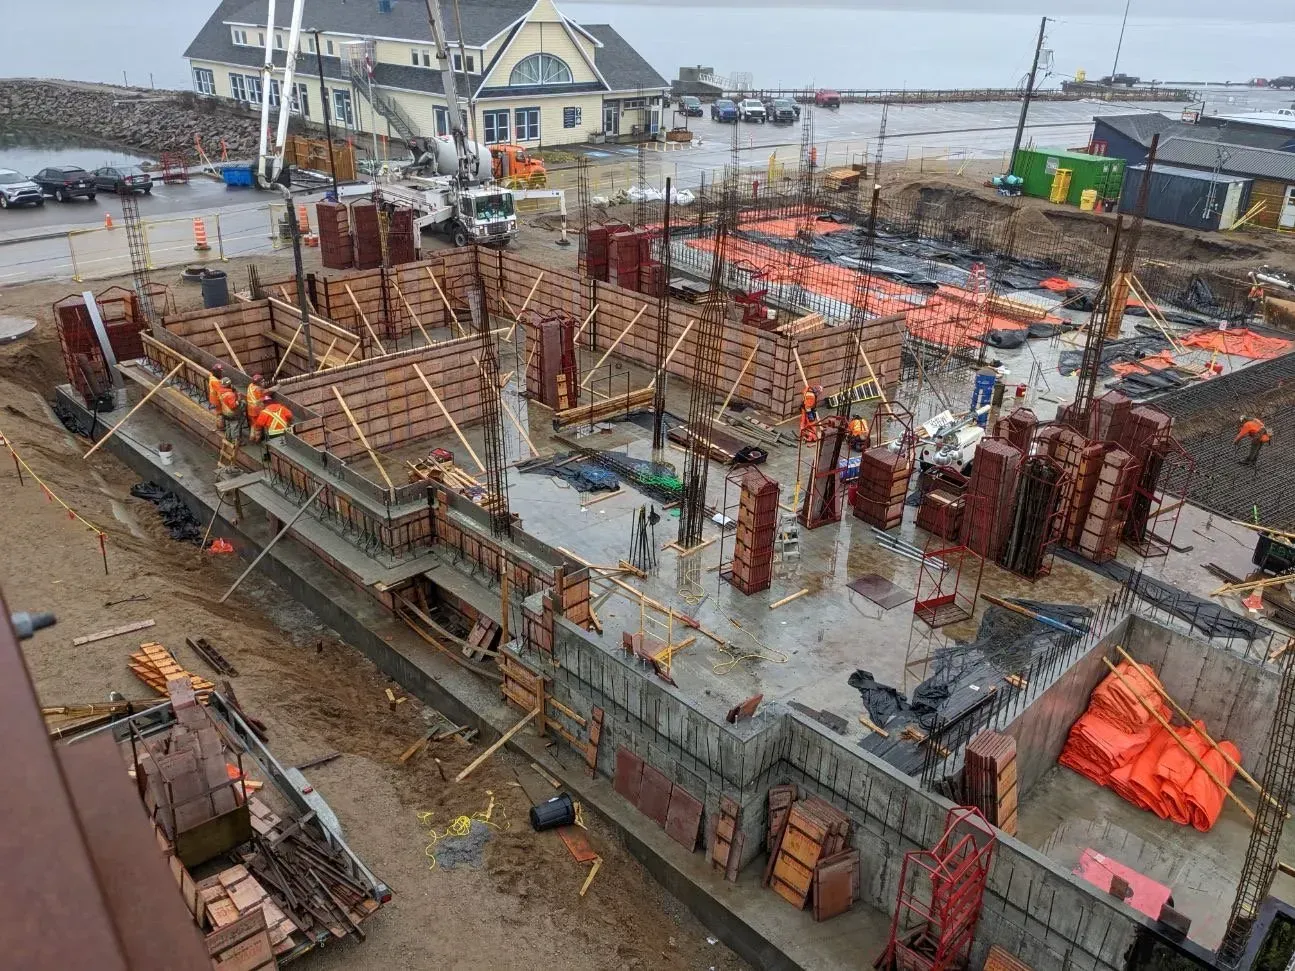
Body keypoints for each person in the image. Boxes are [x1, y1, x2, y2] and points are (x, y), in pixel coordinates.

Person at [217, 377, 242, 443]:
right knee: (234, 427)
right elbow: (233, 406)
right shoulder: (230, 395)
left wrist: (232, 390)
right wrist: (239, 399)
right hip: (232, 413)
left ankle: (228, 438)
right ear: (229, 384)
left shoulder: (220, 391)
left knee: (228, 426)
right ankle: (235, 441)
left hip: (225, 412)